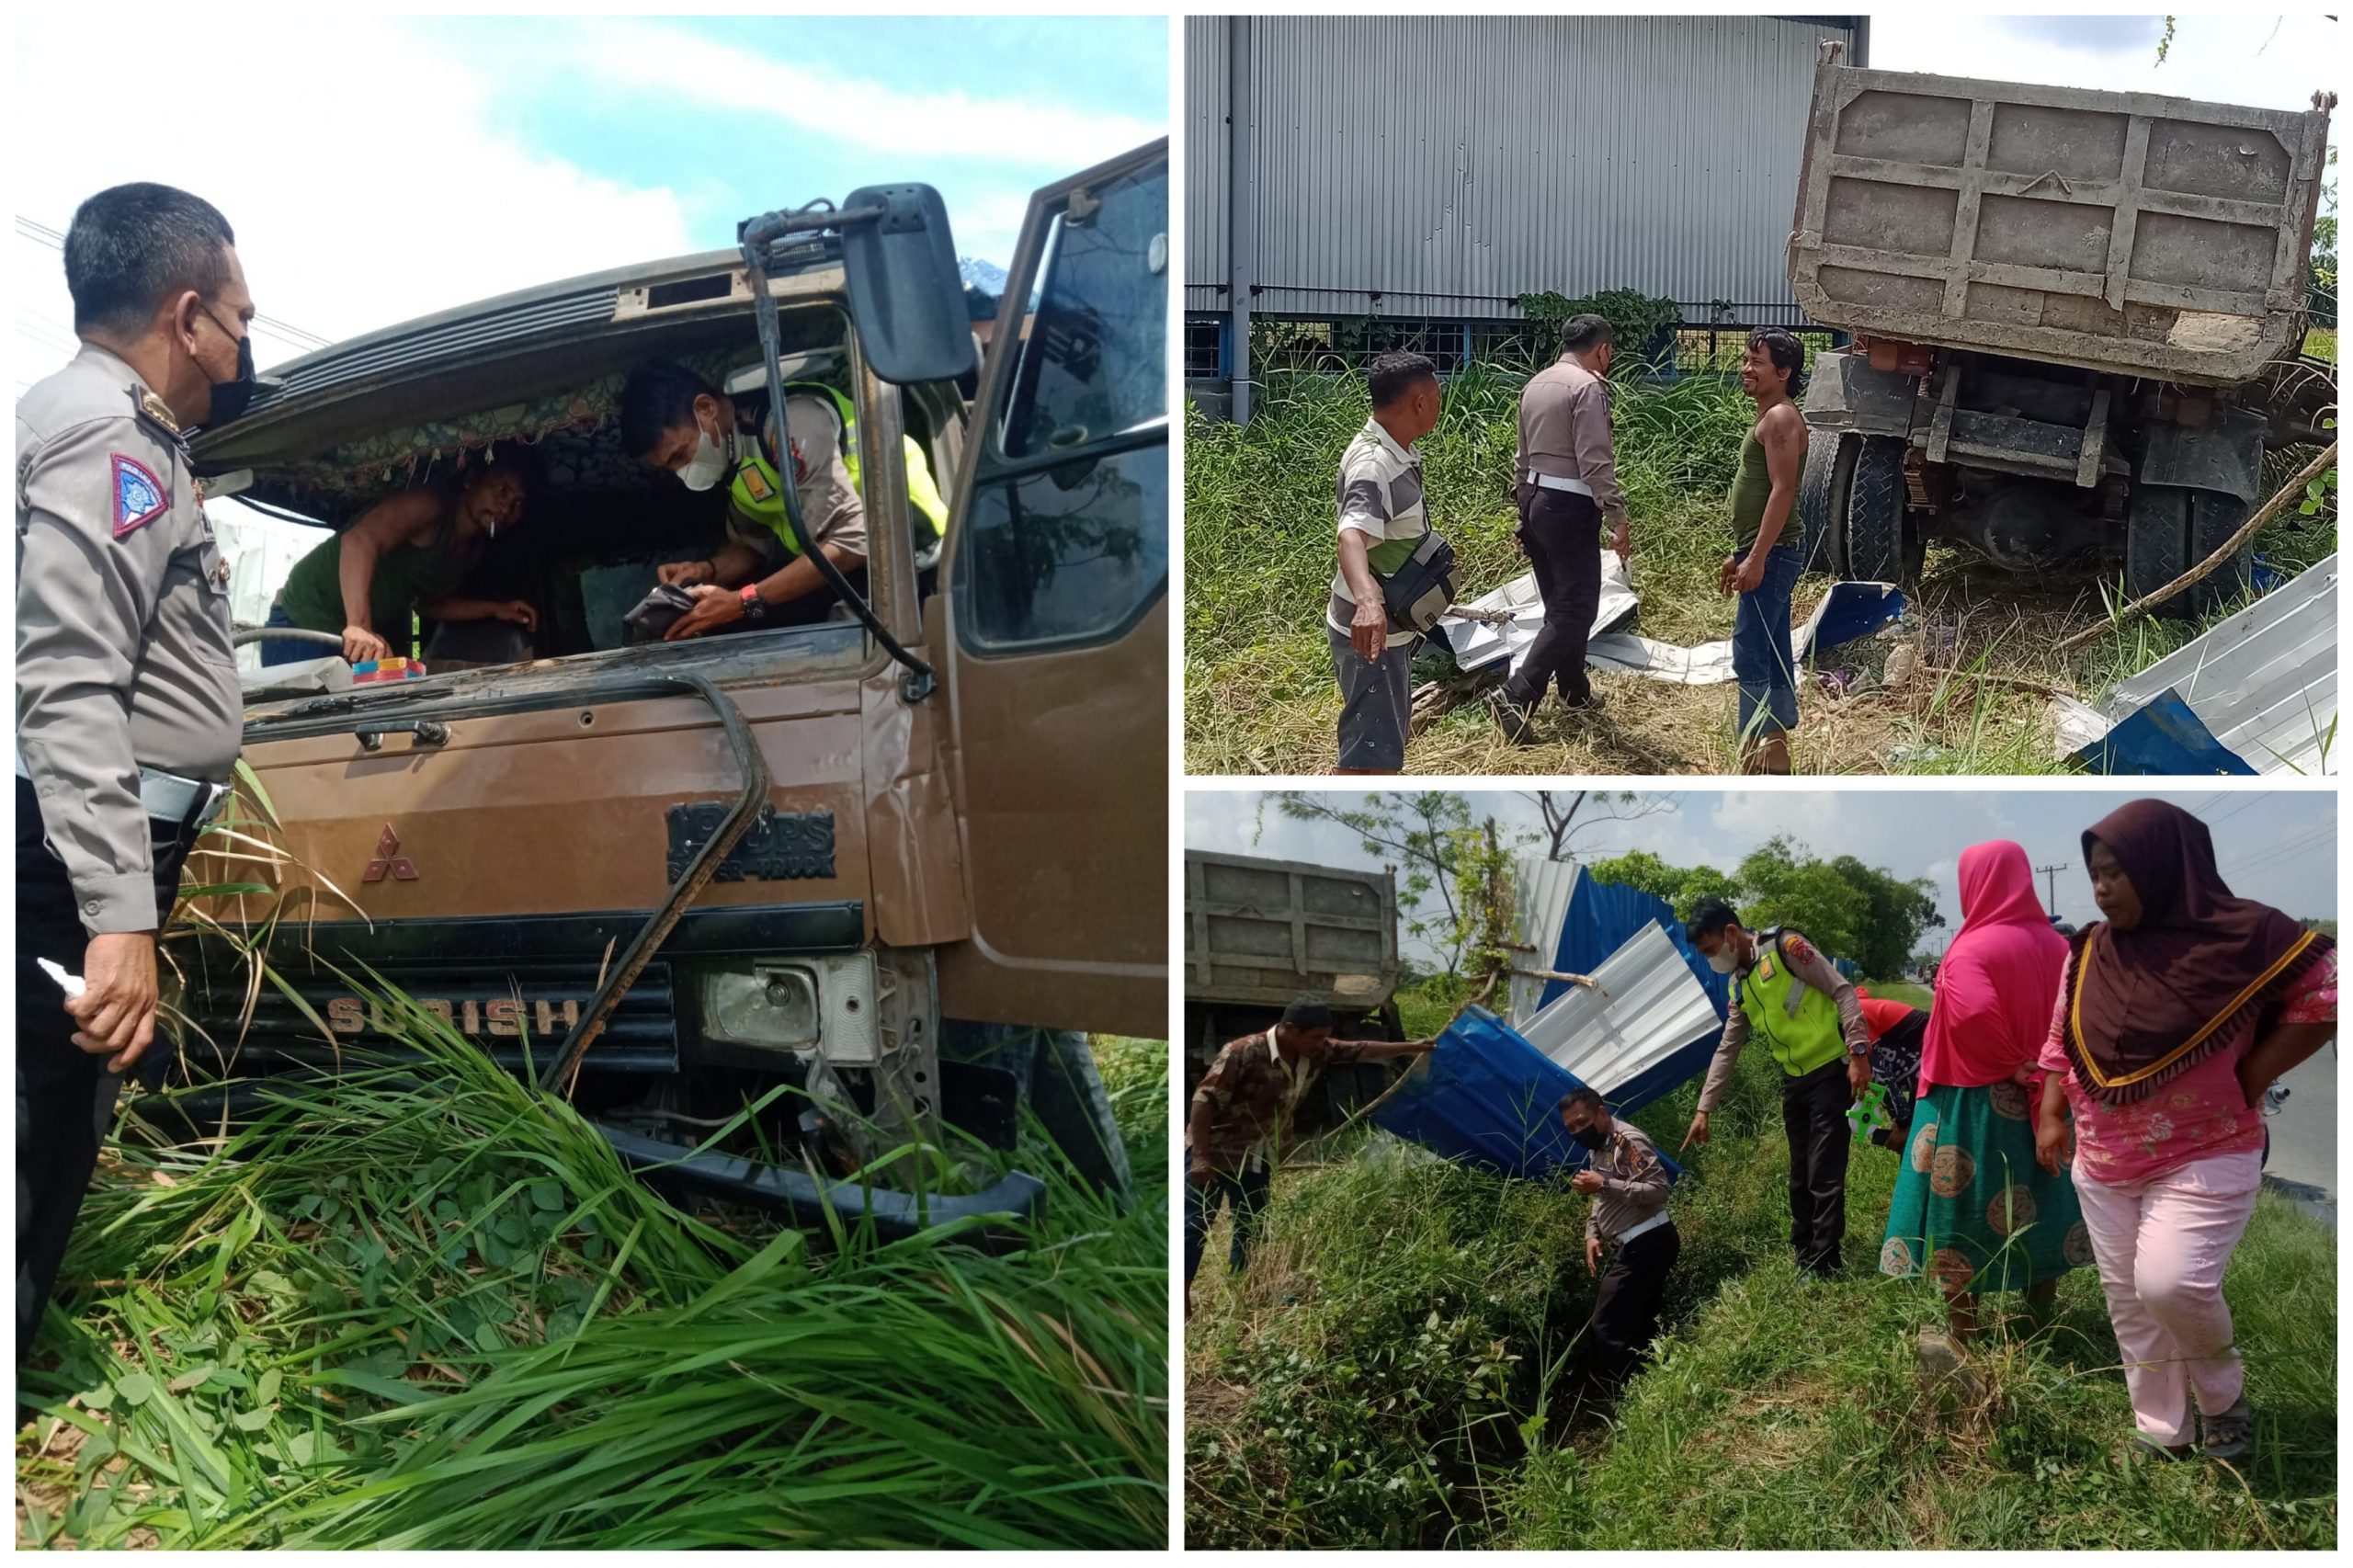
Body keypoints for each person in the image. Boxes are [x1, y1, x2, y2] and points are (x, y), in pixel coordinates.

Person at [17, 184, 257, 1352]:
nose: (242, 346)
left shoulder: (101, 428)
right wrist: (117, 914)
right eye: (240, 318)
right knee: (37, 1131)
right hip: (73, 858)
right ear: (185, 314)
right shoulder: (115, 441)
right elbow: (69, 681)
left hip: (82, 845)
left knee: (53, 1124)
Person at [2034, 800, 2335, 1462]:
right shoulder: (2088, 951)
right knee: (2129, 1300)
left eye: (2119, 871)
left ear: (2167, 867)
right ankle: (2165, 1428)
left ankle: (2224, 1402)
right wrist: (2052, 1111)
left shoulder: (2246, 937)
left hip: (2207, 1148)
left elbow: (2325, 998)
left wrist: (2255, 1073)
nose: (2104, 887)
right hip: (2104, 1159)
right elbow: (2061, 1037)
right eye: (2096, 873)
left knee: (2171, 1284)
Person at [1881, 842, 2086, 1366]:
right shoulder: (2059, 947)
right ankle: (2039, 1322)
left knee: (1965, 1216)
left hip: (1979, 1104)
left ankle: (1963, 1334)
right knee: (2043, 1202)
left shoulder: (1971, 949)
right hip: (2050, 1102)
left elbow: (1971, 1016)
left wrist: (2012, 1061)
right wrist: (2038, 1071)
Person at [620, 360, 940, 642]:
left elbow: (852, 540)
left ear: (705, 408)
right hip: (837, 569)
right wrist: (707, 570)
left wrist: (742, 601)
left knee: (840, 654)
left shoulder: (790, 424)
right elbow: (752, 546)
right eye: (669, 468)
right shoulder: (734, 459)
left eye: (680, 454)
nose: (680, 472)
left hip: (907, 554)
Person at [1185, 997, 1436, 1312]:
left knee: (1252, 1224)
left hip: (1258, 1153)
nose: (1322, 1044)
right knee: (1195, 1224)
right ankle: (1181, 1299)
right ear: (1289, 1030)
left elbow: (1361, 1049)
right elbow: (1204, 1100)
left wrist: (1412, 1047)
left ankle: (1239, 1290)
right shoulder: (1243, 1051)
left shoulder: (1316, 1051)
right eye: (1315, 1037)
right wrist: (1201, 1157)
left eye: (1324, 1037)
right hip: (1216, 1149)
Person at [1681, 899, 1871, 1278]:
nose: (1710, 960)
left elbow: (1843, 991)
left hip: (1830, 1073)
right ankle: (1805, 1255)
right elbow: (1727, 1048)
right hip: (1794, 1082)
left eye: (1709, 950)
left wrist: (1858, 1054)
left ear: (1731, 934)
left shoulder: (1785, 948)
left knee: (1824, 1172)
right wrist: (1704, 1109)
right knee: (1800, 1173)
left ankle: (1826, 1262)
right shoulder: (1739, 984)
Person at [1494, 313, 1631, 744]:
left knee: (1561, 604)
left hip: (1536, 500)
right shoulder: (1588, 387)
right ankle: (1517, 694)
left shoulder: (1535, 384)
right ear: (1603, 350)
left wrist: (1523, 510)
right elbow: (1594, 461)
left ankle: (1574, 691)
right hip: (1570, 505)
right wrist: (1617, 516)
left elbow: (1522, 457)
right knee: (1576, 609)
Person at [262, 454, 538, 666]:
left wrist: (496, 609)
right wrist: (361, 626)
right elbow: (359, 540)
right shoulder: (430, 504)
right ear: (471, 480)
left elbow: (429, 604)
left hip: (353, 639)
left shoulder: (472, 549)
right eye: (502, 490)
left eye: (518, 504)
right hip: (305, 621)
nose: (506, 507)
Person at [1326, 351, 1445, 774]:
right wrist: (1368, 603)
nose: (1439, 404)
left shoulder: (1396, 451)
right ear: (1419, 403)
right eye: (1437, 396)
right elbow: (1351, 534)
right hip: (1372, 635)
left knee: (1380, 745)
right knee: (1369, 759)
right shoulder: (1374, 464)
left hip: (1390, 631)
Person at [1722, 329, 1811, 774]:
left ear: (1784, 371)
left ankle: (1753, 756)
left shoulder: (1779, 418)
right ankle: (1776, 757)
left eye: (1756, 361)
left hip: (1774, 554)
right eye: (1744, 359)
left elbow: (1783, 490)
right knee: (1772, 648)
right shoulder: (1773, 415)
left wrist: (1756, 557)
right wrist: (1743, 553)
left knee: (1750, 649)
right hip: (1766, 550)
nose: (1746, 368)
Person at [1561, 1086, 1677, 1389]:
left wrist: (1605, 1183)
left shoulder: (1628, 1142)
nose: (1577, 1131)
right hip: (1634, 1244)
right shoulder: (1598, 1147)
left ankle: (1623, 1390)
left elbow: (1660, 1190)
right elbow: (1600, 1198)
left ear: (1601, 1113)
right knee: (1641, 1318)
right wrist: (1591, 1233)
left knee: (1606, 1323)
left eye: (1581, 1122)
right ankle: (1655, 1383)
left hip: (1648, 1240)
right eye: (1571, 1127)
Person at [1853, 985, 1927, 1147]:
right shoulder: (1854, 1009)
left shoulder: (1853, 1016)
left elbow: (1880, 1075)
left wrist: (1903, 1122)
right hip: (1924, 1058)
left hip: (1935, 1060)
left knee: (1866, 1064)